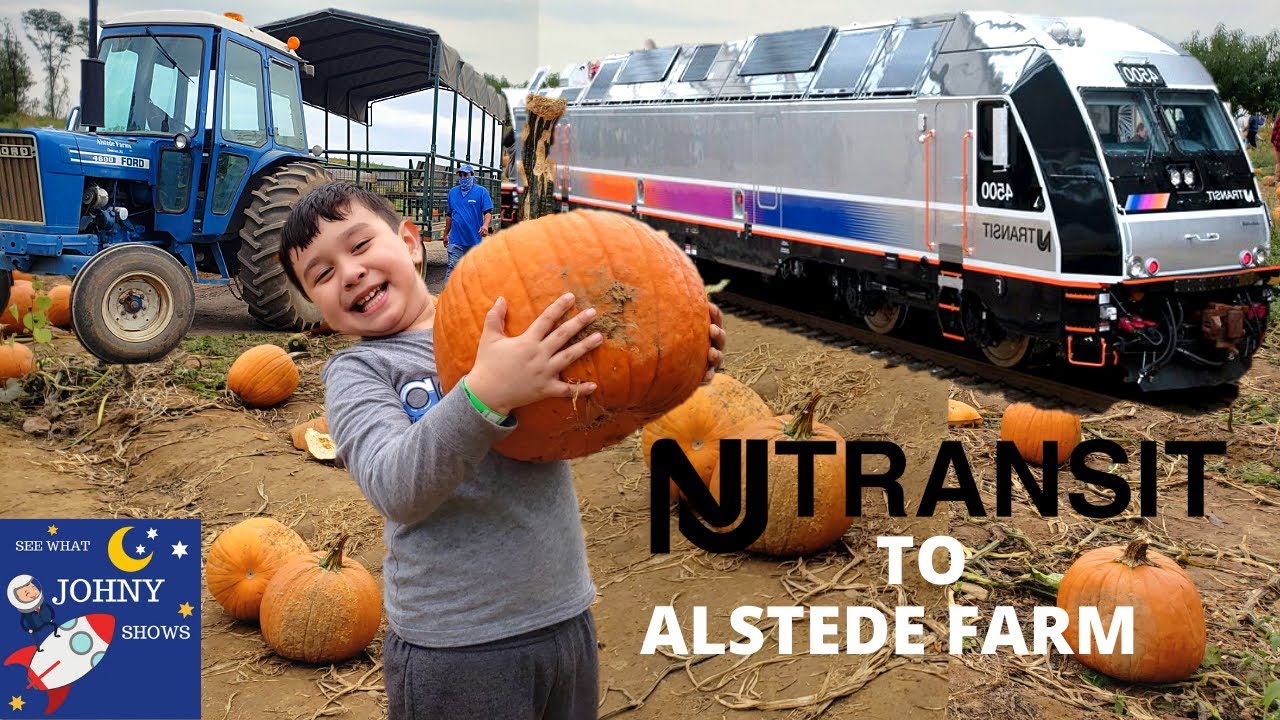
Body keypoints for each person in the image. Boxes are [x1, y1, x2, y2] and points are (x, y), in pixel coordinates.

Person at [277, 182, 726, 720]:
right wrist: (484, 393)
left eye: (359, 246)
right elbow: (395, 487)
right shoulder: (359, 373)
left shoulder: (507, 319)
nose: (349, 272)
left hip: (564, 616)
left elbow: (586, 410)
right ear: (316, 305)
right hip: (458, 646)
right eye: (322, 274)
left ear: (411, 242)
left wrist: (670, 360)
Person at [443, 164, 494, 285]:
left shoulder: (481, 192)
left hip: (474, 240)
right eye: (460, 175)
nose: (462, 178)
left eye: (465, 175)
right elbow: (449, 215)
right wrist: (446, 234)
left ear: (472, 176)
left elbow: (487, 212)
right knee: (453, 269)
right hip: (456, 240)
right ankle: (446, 300)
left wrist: (485, 225)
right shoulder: (453, 193)